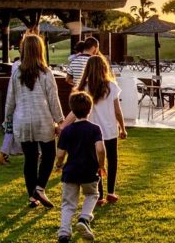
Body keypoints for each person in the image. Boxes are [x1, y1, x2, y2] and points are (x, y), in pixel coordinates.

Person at [4, 34, 62, 209]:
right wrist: (59, 120)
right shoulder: (46, 73)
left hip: (22, 120)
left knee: (30, 159)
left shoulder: (17, 73)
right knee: (49, 154)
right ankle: (40, 187)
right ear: (40, 50)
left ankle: (32, 196)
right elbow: (53, 99)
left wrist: (7, 118)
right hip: (42, 119)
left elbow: (10, 100)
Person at [60, 54, 127, 205]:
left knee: (95, 162)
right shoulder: (111, 86)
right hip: (110, 130)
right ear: (104, 68)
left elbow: (74, 111)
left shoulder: (84, 88)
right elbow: (117, 111)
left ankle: (100, 195)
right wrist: (122, 128)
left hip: (91, 133)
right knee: (112, 160)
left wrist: (63, 125)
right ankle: (111, 192)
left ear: (88, 69)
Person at [55, 92, 106, 243]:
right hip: (89, 171)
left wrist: (59, 165)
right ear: (90, 109)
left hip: (70, 171)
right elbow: (100, 149)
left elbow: (60, 154)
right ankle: (84, 218)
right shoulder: (94, 129)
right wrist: (101, 165)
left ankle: (64, 233)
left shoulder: (67, 131)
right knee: (92, 195)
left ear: (72, 110)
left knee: (68, 204)